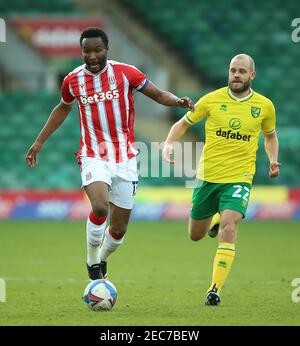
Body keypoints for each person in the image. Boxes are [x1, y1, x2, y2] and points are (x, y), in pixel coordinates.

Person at [26, 27, 194, 281]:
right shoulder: (73, 80)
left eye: (97, 50)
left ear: (107, 49)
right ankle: (92, 261)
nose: (92, 56)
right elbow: (62, 108)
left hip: (125, 157)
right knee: (100, 207)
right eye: (86, 51)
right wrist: (39, 142)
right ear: (81, 51)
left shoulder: (126, 73)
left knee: (118, 230)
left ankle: (103, 258)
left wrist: (177, 102)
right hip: (93, 154)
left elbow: (158, 94)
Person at [162, 54, 280, 306]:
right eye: (232, 70)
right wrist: (169, 143)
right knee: (195, 235)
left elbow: (270, 136)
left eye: (241, 71)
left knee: (230, 224)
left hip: (239, 178)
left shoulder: (265, 106)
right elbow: (182, 124)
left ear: (252, 75)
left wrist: (272, 159)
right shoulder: (211, 100)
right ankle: (213, 218)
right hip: (208, 177)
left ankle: (214, 289)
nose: (236, 75)